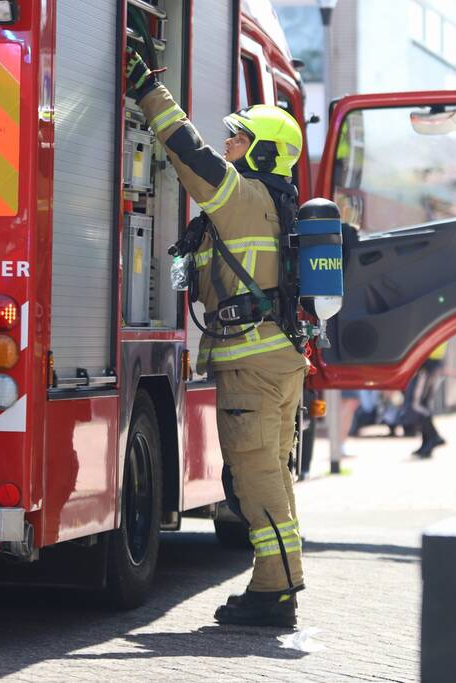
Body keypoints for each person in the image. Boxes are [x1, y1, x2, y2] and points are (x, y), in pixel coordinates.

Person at [126, 49, 307, 627]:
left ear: (261, 151)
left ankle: (275, 593)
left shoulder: (244, 199)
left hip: (253, 367)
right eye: (231, 136)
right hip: (275, 363)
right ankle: (278, 583)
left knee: (255, 480)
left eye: (239, 137)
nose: (229, 144)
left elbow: (187, 152)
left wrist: (147, 90)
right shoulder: (274, 207)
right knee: (269, 476)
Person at [405, 342, 448, 458]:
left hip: (428, 361)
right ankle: (427, 442)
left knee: (416, 405)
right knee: (423, 404)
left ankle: (434, 436)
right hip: (432, 360)